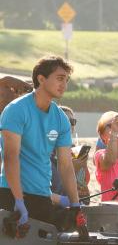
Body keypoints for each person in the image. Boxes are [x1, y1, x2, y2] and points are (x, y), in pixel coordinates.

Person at [0, 56, 80, 226]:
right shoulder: (16, 110)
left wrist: (75, 204)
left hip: (42, 197)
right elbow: (10, 157)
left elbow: (65, 166)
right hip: (10, 195)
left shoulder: (61, 119)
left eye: (66, 80)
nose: (64, 85)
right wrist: (19, 201)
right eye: (59, 78)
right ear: (41, 79)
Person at [51, 106, 90, 204]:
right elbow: (53, 191)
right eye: (65, 120)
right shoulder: (44, 152)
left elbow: (84, 197)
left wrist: (82, 166)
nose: (69, 125)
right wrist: (73, 168)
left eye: (72, 121)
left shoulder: (74, 151)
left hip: (73, 210)